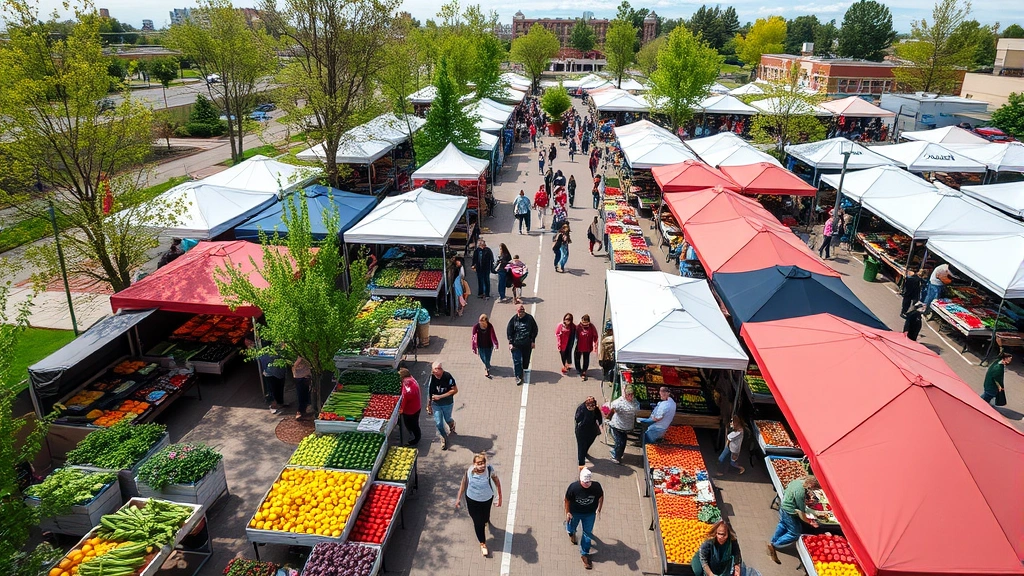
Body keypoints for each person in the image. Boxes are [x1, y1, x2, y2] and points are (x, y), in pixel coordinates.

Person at [454, 452, 503, 557]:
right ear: (474, 463)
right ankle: (483, 543)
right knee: (478, 522)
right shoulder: (469, 471)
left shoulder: (489, 470)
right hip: (472, 500)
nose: (481, 465)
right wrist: (458, 498)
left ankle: (485, 521)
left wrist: (498, 496)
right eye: (479, 463)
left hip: (486, 500)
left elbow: (496, 481)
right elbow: (463, 484)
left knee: (485, 518)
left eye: (483, 463)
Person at [766, 475, 820, 563]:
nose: (812, 490)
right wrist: (810, 521)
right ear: (811, 484)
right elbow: (800, 508)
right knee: (795, 532)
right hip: (789, 512)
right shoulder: (800, 491)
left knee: (783, 524)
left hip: (783, 507)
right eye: (813, 488)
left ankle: (773, 541)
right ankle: (776, 544)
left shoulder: (796, 482)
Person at [565, 468, 604, 570]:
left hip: (589, 514)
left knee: (587, 533)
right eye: (584, 482)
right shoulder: (573, 488)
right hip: (575, 513)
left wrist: (599, 509)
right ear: (580, 479)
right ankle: (570, 532)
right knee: (571, 527)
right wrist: (568, 512)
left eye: (588, 482)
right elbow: (567, 500)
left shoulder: (596, 487)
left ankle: (585, 553)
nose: (586, 484)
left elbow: (601, 496)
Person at [426, 362, 458, 450]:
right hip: (436, 405)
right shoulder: (431, 378)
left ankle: (452, 424)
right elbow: (429, 393)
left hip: (447, 403)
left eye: (439, 368)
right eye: (435, 369)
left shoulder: (447, 376)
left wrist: (440, 396)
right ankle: (443, 437)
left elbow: (455, 390)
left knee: (447, 419)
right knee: (439, 423)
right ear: (432, 370)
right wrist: (428, 405)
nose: (437, 370)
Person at [507, 304, 539, 386]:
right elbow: (510, 331)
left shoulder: (529, 318)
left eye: (522, 311)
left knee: (526, 360)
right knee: (517, 361)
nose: (521, 313)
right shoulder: (514, 319)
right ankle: (518, 376)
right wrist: (510, 342)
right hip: (516, 344)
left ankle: (524, 369)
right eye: (519, 311)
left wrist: (533, 341)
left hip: (527, 344)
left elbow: (534, 330)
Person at [252, 341, 286, 415]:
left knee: (273, 390)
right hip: (276, 373)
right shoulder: (276, 351)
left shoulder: (262, 352)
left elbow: (257, 360)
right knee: (276, 389)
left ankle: (277, 404)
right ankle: (277, 404)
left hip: (270, 373)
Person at [606, 387, 639, 464]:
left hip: (620, 426)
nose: (630, 397)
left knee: (619, 441)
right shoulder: (634, 403)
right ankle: (618, 454)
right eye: (629, 395)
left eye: (632, 395)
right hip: (623, 426)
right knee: (622, 440)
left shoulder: (620, 402)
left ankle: (617, 457)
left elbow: (611, 409)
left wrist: (607, 418)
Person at [574, 396, 603, 469]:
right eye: (589, 407)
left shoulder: (595, 409)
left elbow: (599, 417)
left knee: (588, 443)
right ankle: (581, 465)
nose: (591, 409)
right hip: (581, 432)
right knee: (581, 449)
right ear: (586, 405)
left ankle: (585, 452)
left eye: (592, 407)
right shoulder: (581, 409)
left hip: (592, 431)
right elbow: (577, 419)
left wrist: (600, 424)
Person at [399, 367, 422, 445]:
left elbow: (405, 395)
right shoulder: (412, 379)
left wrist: (401, 409)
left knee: (412, 424)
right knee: (415, 423)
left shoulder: (406, 383)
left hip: (410, 410)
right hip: (417, 406)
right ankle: (415, 435)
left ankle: (416, 439)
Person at [472, 314, 499, 378]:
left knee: (487, 357)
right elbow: (473, 337)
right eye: (480, 320)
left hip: (489, 345)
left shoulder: (490, 326)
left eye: (482, 321)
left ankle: (487, 368)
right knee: (482, 357)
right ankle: (487, 366)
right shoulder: (476, 327)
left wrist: (496, 344)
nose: (480, 322)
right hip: (480, 345)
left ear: (486, 321)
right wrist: (474, 347)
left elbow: (493, 335)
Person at [574, 314, 599, 380]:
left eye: (586, 322)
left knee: (586, 359)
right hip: (579, 346)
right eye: (583, 322)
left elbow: (595, 336)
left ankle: (584, 370)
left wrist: (595, 345)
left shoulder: (591, 327)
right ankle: (578, 369)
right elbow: (575, 335)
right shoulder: (578, 327)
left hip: (587, 346)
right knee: (577, 358)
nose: (584, 324)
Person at [291, 356, 312, 421]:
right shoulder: (298, 356)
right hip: (300, 377)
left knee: (305, 394)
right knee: (301, 394)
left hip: (305, 376)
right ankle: (300, 411)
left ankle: (303, 411)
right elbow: (294, 366)